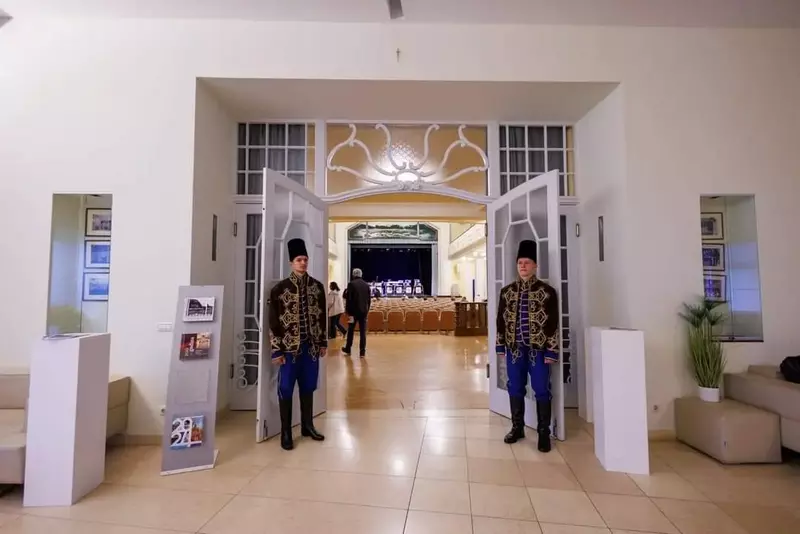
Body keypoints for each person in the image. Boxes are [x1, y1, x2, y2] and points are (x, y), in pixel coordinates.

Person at [496, 240, 560, 452]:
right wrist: (500, 346)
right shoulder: (506, 292)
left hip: (538, 351)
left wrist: (551, 350)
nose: (523, 266)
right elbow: (500, 321)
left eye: (527, 262)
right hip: (514, 350)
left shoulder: (547, 292)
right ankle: (517, 428)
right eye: (520, 263)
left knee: (541, 389)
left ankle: (544, 433)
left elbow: (553, 323)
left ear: (535, 266)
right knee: (514, 387)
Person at [268, 238, 327, 451]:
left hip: (310, 349)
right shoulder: (280, 289)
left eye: (305, 259)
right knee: (285, 388)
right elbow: (273, 321)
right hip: (288, 350)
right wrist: (276, 350)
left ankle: (307, 426)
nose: (303, 263)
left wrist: (322, 342)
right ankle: (286, 432)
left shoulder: (317, 287)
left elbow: (322, 317)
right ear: (291, 262)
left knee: (308, 386)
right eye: (299, 260)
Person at [343, 267, 371, 358]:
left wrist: (347, 311)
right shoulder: (366, 285)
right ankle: (362, 352)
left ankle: (348, 349)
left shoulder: (351, 284)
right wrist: (367, 311)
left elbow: (349, 299)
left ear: (353, 274)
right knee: (363, 333)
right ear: (361, 274)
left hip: (353, 313)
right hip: (363, 312)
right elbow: (369, 300)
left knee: (351, 331)